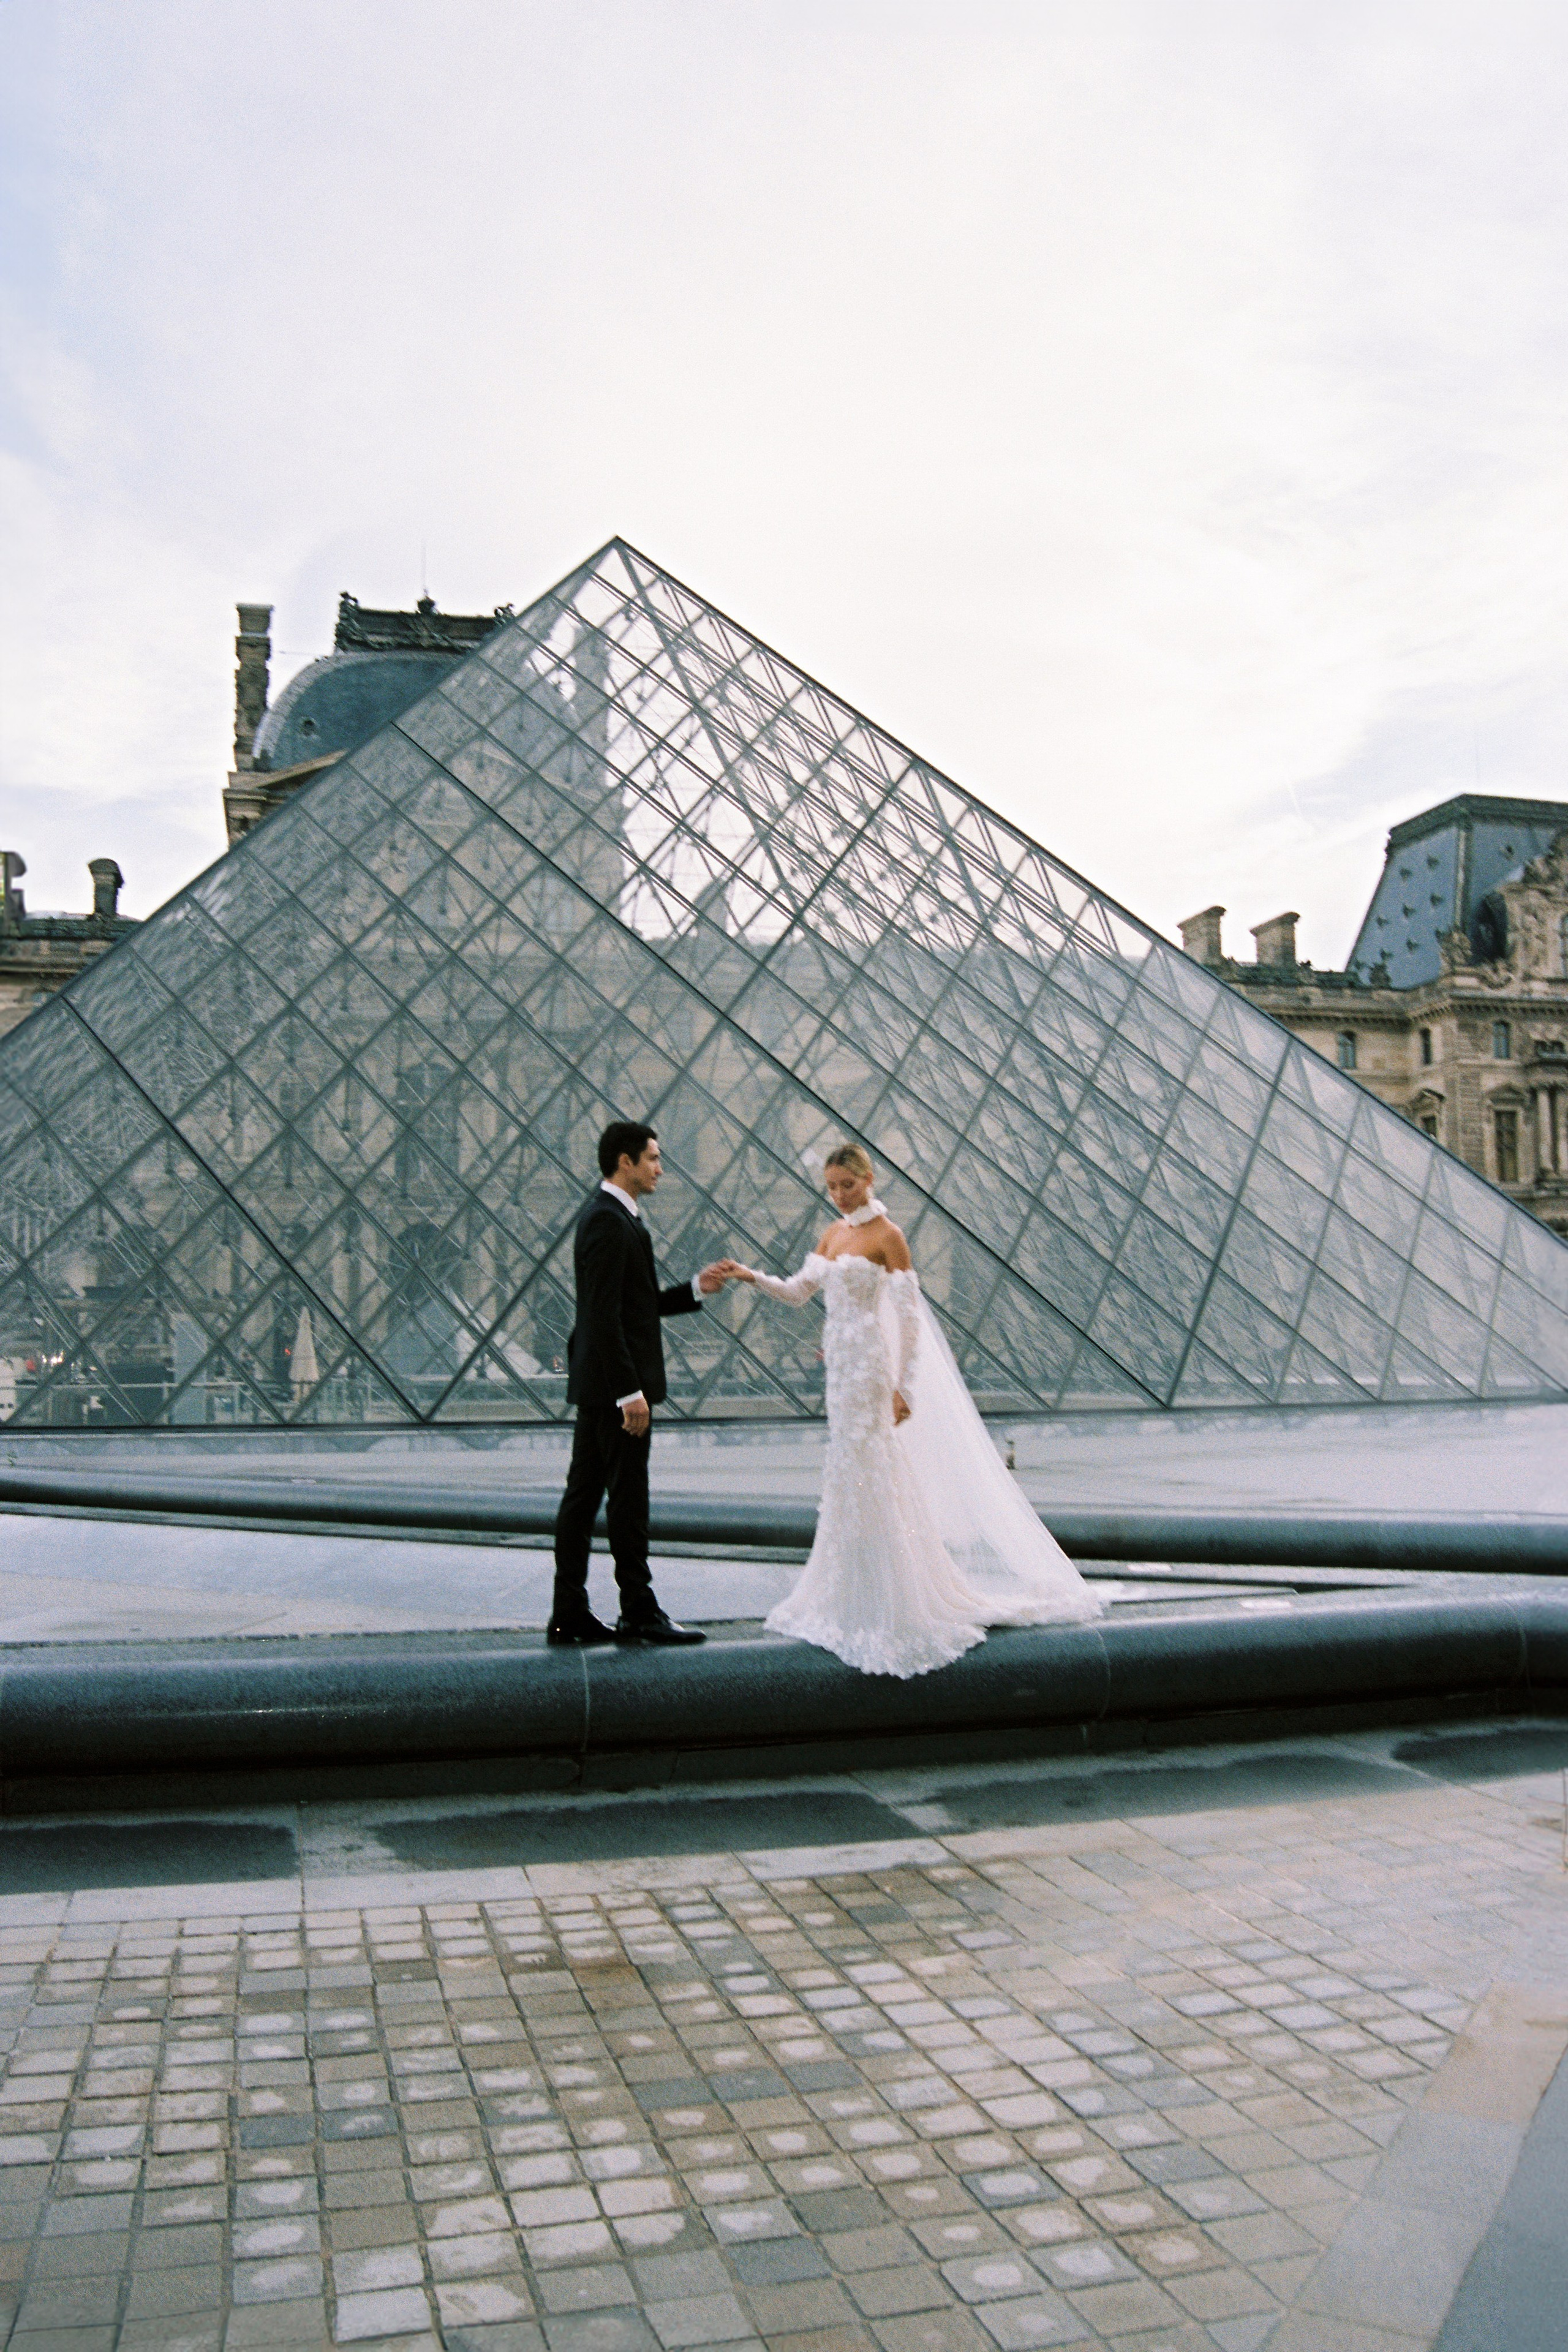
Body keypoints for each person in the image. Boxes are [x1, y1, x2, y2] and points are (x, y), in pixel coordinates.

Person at [724, 1143, 1102, 1678]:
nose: (838, 1195)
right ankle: (854, 1584)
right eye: (831, 1187)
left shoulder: (888, 1236)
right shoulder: (832, 1233)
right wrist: (749, 1275)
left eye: (847, 1185)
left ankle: (893, 1588)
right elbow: (798, 1291)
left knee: (872, 1467)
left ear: (869, 1179)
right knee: (850, 1471)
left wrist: (903, 1387)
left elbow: (907, 1317)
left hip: (871, 1370)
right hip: (841, 1371)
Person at [549, 1121, 733, 1648]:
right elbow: (603, 1316)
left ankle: (569, 1614)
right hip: (615, 1389)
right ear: (625, 1162)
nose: (659, 1168)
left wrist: (697, 1288)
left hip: (597, 1384)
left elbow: (637, 1304)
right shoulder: (609, 1222)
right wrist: (630, 1392)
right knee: (628, 1500)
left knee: (582, 1499)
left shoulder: (612, 1216)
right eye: (652, 1158)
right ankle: (638, 1610)